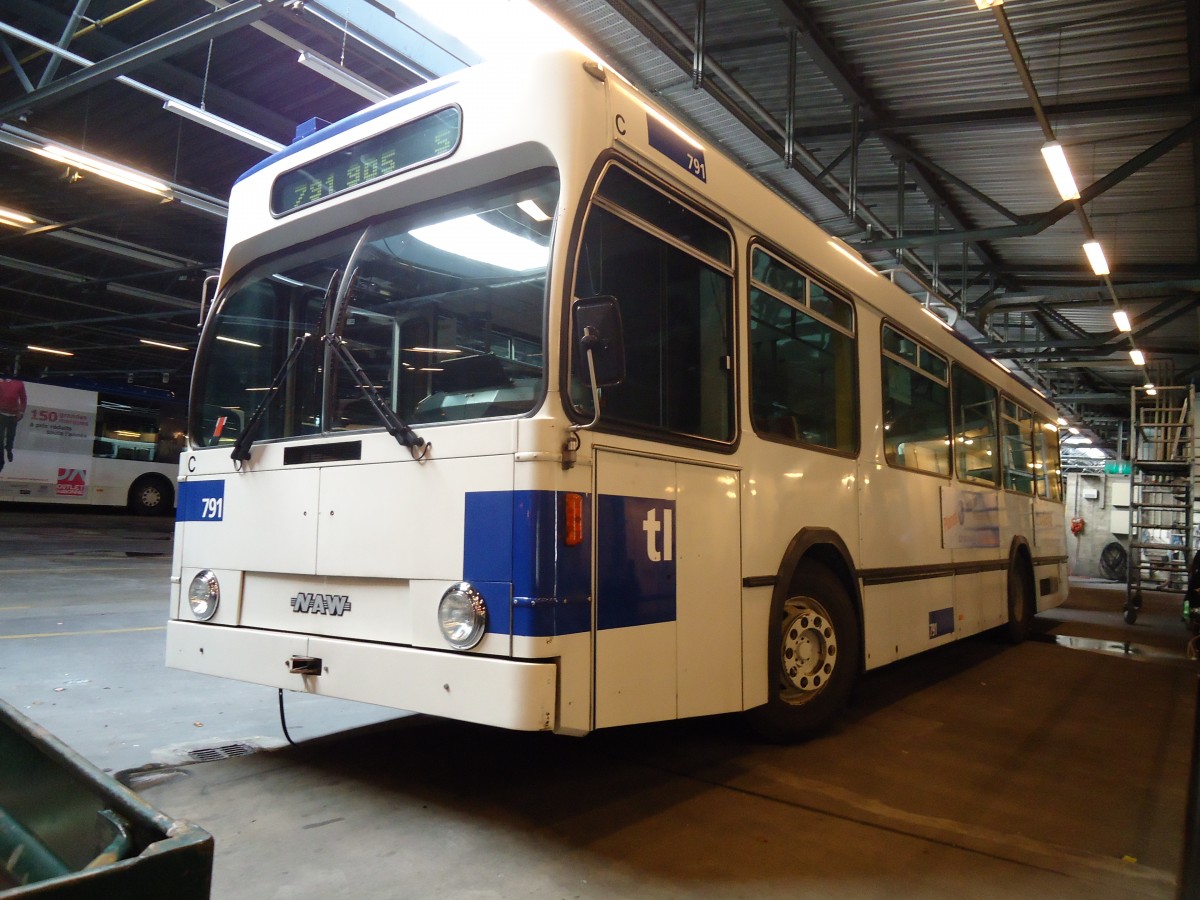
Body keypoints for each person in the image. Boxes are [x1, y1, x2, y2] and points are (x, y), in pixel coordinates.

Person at [0, 371, 27, 471]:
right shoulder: (1, 383)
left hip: (13, 415)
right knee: (0, 439)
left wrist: (21, 412)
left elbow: (23, 399)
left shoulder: (19, 383)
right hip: (1, 414)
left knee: (10, 436)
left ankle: (9, 449)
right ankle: (1, 461)